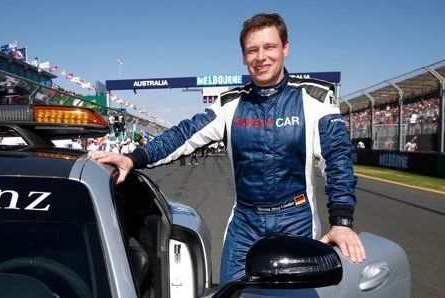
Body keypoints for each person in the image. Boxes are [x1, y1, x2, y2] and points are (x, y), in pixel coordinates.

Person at [89, 12, 365, 283]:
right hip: (245, 220)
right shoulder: (229, 103)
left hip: (296, 218)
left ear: (285, 48)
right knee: (233, 292)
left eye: (269, 47)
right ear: (244, 56)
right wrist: (134, 158)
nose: (261, 57)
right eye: (252, 50)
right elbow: (184, 135)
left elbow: (337, 158)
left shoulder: (316, 97)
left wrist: (341, 222)